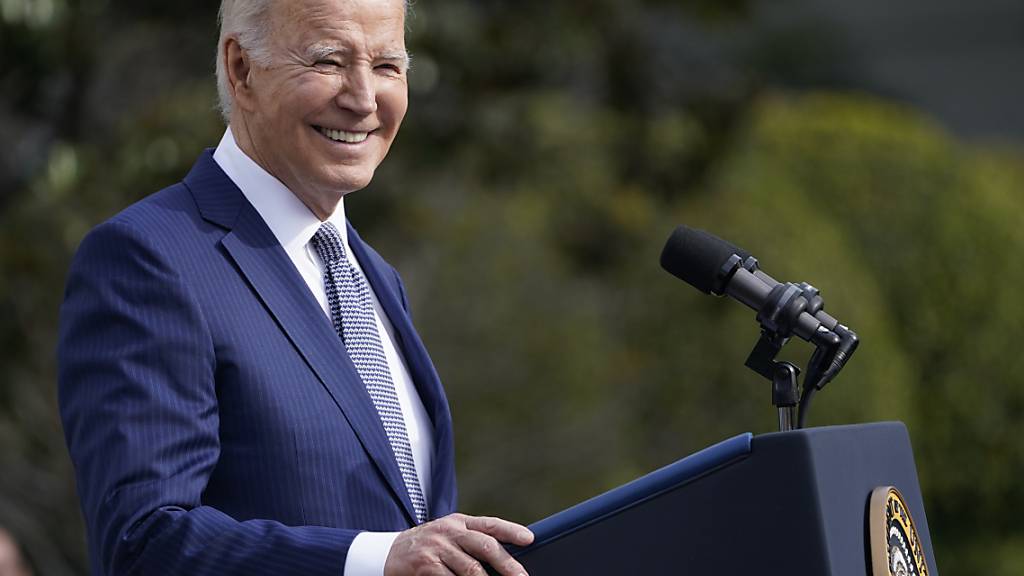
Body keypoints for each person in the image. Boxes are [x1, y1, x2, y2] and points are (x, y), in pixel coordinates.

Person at [57, 0, 534, 574]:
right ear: (241, 69)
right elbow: (142, 541)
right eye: (330, 61)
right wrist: (374, 560)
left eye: (387, 66)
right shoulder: (148, 259)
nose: (363, 99)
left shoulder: (377, 279)